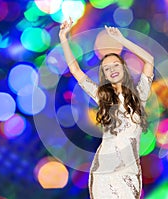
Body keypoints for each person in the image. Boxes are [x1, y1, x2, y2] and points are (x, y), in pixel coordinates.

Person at [59, 17, 154, 199]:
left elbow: (149, 61)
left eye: (115, 65)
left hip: (129, 173)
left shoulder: (139, 95)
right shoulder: (103, 98)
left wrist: (122, 41)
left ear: (124, 68)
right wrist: (64, 37)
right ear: (105, 76)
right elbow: (76, 71)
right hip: (104, 171)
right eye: (107, 68)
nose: (112, 69)